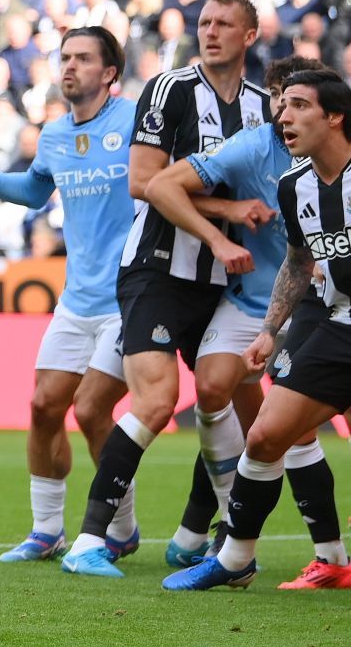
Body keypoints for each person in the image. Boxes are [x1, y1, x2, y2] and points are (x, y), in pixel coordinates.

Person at [63, 0, 270, 578]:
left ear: (249, 35)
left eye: (224, 24)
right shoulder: (169, 89)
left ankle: (198, 535)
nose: (210, 32)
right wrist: (224, 223)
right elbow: (145, 182)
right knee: (151, 402)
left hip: (226, 284)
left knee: (230, 403)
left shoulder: (263, 107)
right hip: (155, 269)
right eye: (204, 22)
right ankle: (89, 541)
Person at [138, 59, 349, 585]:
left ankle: (330, 557)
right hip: (337, 323)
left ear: (336, 118)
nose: (284, 115)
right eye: (282, 104)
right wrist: (269, 330)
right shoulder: (295, 185)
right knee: (265, 437)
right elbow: (299, 262)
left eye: (300, 106)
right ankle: (234, 561)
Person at [0, 27, 138, 563]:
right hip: (77, 300)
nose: (69, 66)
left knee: (93, 410)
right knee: (42, 406)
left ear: (109, 73)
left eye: (82, 58)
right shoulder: (53, 135)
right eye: (65, 57)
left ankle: (118, 530)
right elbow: (33, 193)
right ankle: (46, 531)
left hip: (129, 298)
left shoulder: (135, 121)